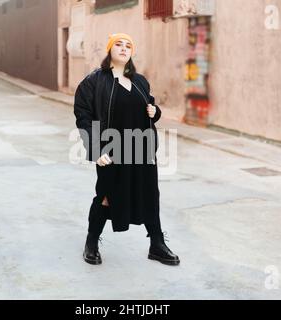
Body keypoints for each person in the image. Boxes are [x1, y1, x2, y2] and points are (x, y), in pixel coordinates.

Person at [74, 33, 180, 266]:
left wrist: (156, 112)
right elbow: (83, 116)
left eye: (128, 45)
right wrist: (94, 148)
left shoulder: (140, 81)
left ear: (132, 52)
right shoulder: (94, 81)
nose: (123, 48)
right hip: (111, 149)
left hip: (141, 148)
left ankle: (157, 244)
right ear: (110, 50)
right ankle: (91, 242)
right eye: (118, 45)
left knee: (150, 195)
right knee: (106, 197)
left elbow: (149, 106)